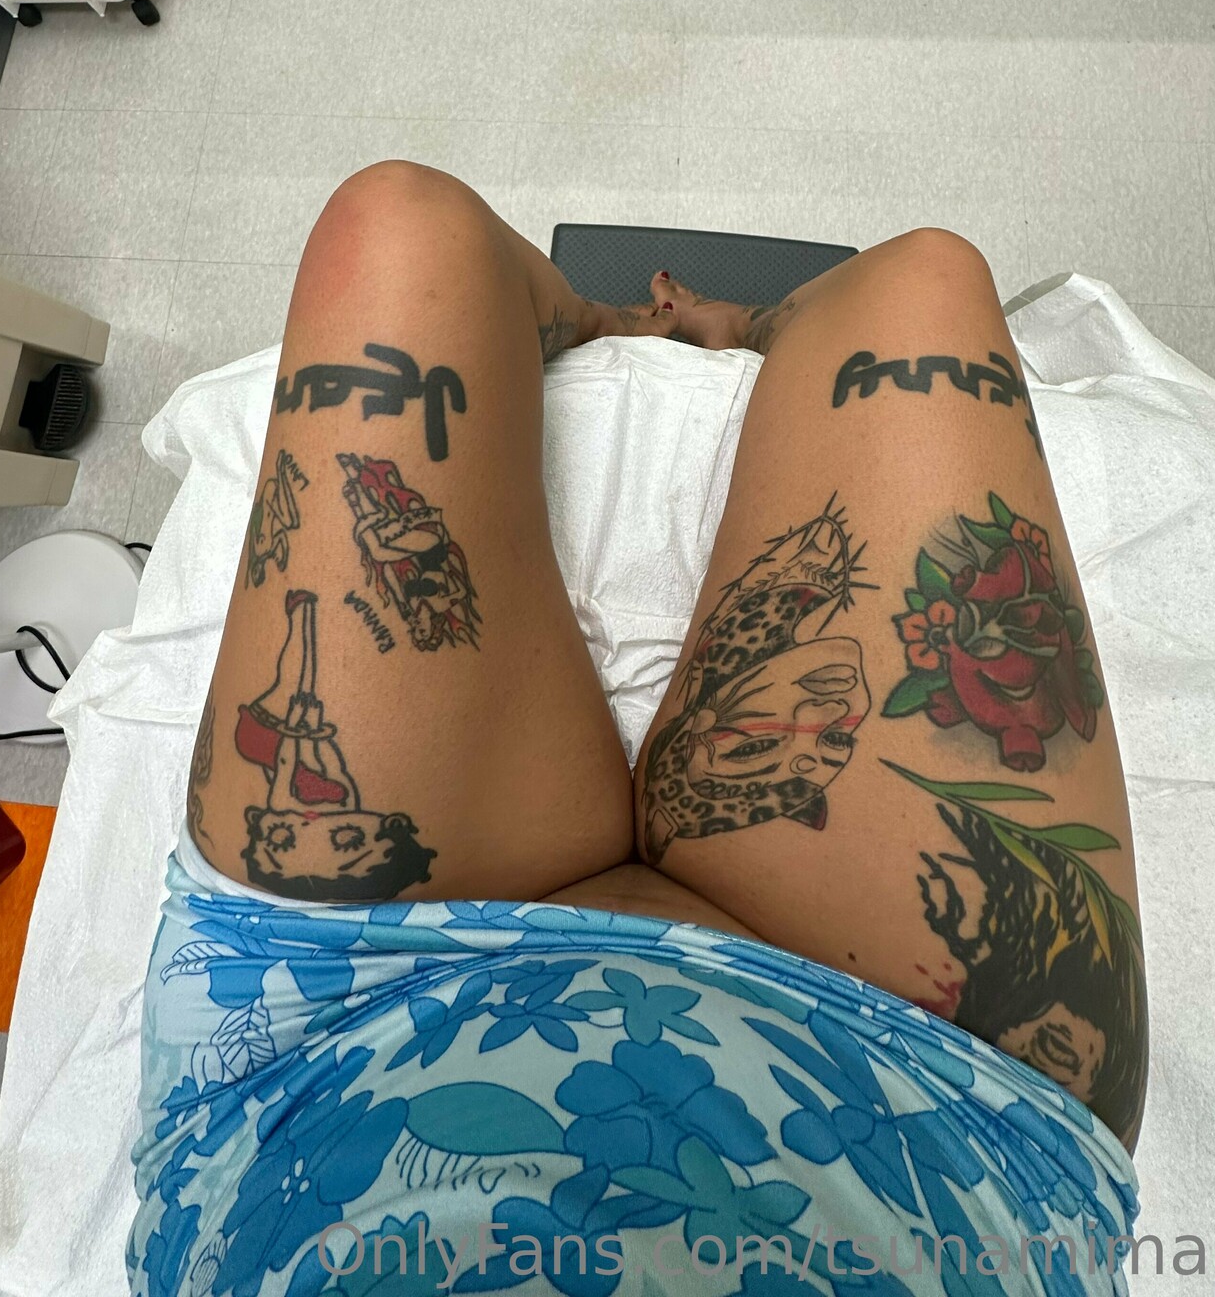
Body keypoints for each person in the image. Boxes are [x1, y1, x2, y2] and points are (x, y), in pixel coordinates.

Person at [129, 163, 1146, 1297]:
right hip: (946, 1105)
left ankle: (607, 321)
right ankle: (734, 327)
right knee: (925, 283)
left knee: (397, 224)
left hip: (328, 1032)